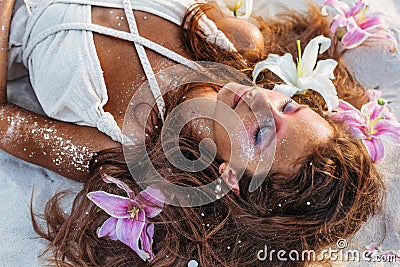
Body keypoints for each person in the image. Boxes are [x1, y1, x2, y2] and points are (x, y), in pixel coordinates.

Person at [0, 0, 383, 266]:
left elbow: (4, 122)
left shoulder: (118, 147)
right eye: (286, 105)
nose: (261, 101)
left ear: (231, 179)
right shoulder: (232, 40)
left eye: (263, 132)